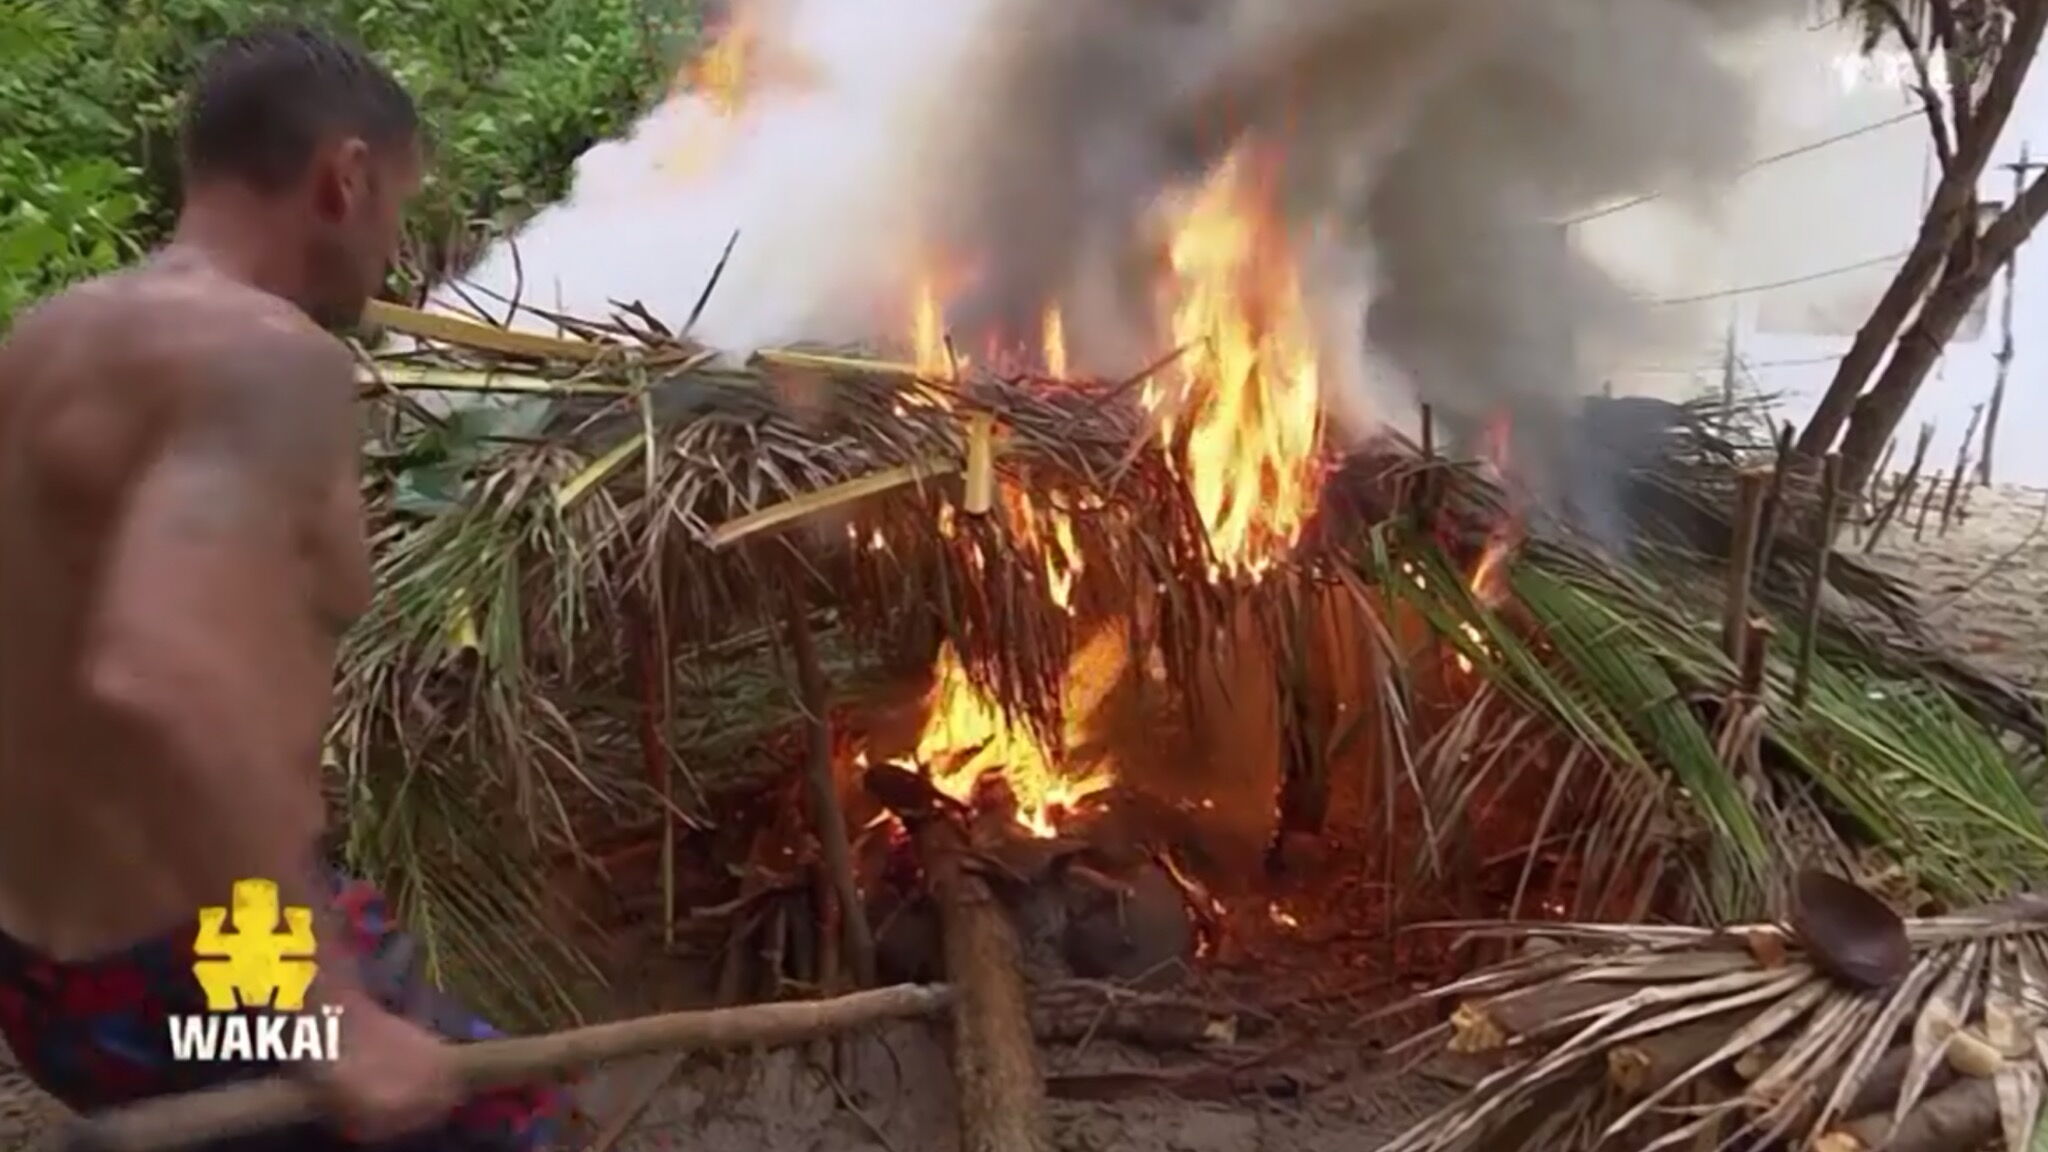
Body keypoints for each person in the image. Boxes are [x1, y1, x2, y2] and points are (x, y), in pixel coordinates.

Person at [0, 22, 559, 1151]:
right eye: (399, 203)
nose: (394, 245)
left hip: (44, 986)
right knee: (517, 1118)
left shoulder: (52, 339)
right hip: (205, 975)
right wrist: (327, 1010)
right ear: (343, 178)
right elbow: (163, 670)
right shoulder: (268, 357)